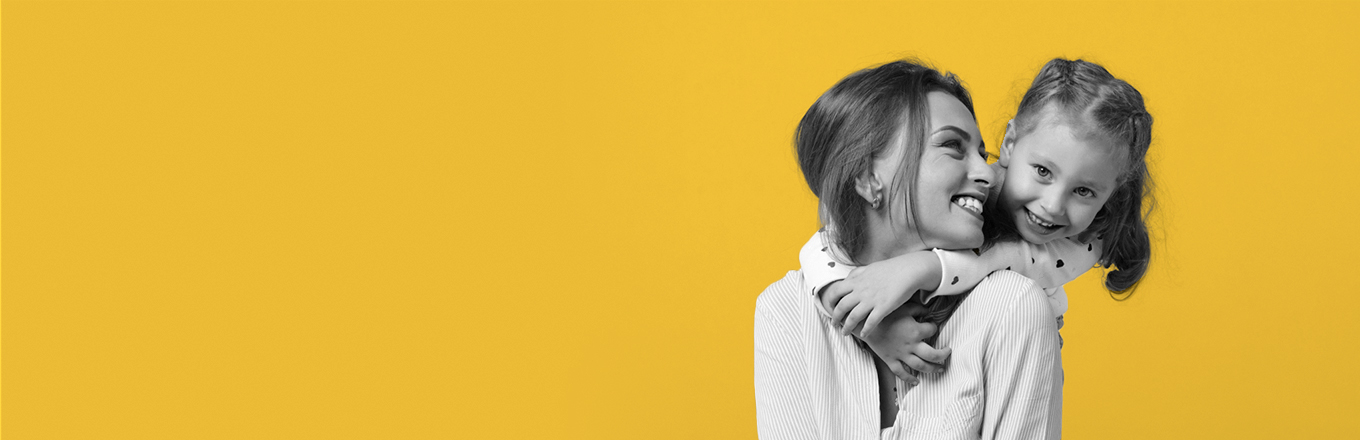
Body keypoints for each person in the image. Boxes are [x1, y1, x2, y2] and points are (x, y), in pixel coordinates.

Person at [754, 60, 1062, 439]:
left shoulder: (1011, 306)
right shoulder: (785, 309)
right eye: (953, 146)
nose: (987, 173)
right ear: (868, 178)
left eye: (982, 154)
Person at [802, 58, 1155, 362]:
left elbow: (1009, 258)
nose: (1053, 206)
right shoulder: (973, 188)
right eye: (1043, 172)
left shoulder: (1085, 241)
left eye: (1084, 191)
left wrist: (922, 267)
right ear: (1010, 143)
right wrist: (867, 324)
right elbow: (822, 246)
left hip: (1007, 352)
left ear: (1110, 195)